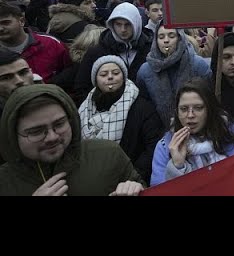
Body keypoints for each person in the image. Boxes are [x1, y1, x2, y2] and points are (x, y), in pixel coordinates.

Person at [0, 84, 145, 195]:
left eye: (59, 124)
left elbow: (143, 187)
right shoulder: (4, 182)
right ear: (13, 135)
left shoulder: (108, 154)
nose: (52, 137)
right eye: (36, 132)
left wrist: (136, 190)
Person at [150, 77, 234, 186]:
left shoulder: (233, 129)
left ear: (209, 109)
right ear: (176, 112)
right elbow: (159, 190)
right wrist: (177, 166)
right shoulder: (166, 145)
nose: (190, 115)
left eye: (198, 108)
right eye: (184, 109)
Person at [79, 55, 163, 184]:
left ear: (123, 77)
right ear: (95, 80)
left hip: (131, 179)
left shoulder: (143, 107)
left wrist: (132, 176)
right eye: (103, 74)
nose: (110, 77)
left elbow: (152, 146)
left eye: (116, 73)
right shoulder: (84, 109)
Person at [136, 23, 211, 130]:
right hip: (160, 132)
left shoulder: (197, 64)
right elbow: (145, 106)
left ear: (180, 38)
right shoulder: (145, 70)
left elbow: (209, 99)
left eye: (171, 36)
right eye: (161, 37)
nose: (166, 40)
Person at [75, 2, 153, 101]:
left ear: (137, 23)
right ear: (112, 24)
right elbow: (81, 87)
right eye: (118, 24)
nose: (123, 29)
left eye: (128, 24)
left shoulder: (150, 49)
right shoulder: (97, 52)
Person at [0, 49, 36, 120]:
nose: (19, 81)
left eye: (23, 72)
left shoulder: (53, 97)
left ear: (31, 72)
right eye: (6, 78)